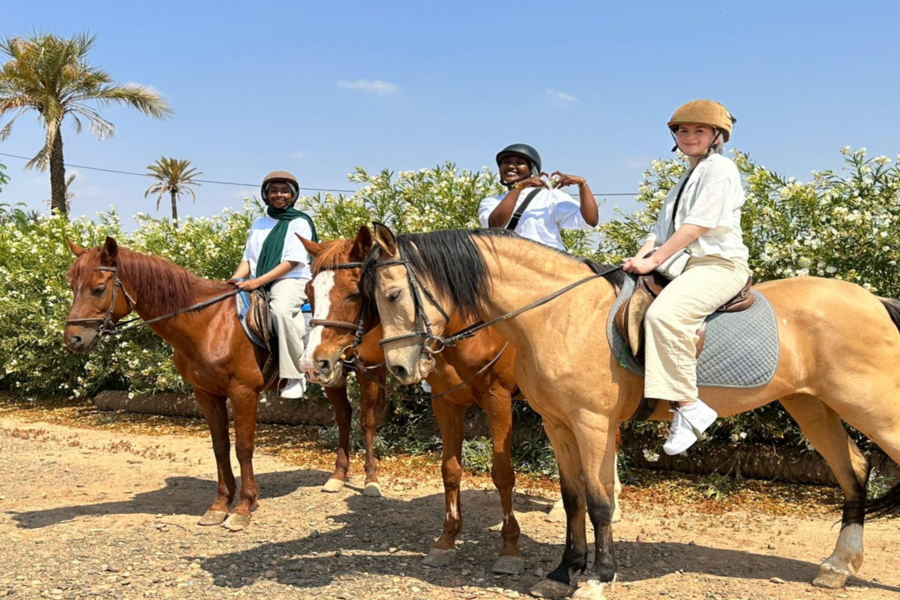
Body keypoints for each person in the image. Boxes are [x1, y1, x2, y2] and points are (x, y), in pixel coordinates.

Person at [623, 99, 750, 455]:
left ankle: (689, 406)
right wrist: (641, 256)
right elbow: (659, 231)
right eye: (683, 130)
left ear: (716, 136)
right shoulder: (686, 177)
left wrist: (655, 260)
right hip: (678, 265)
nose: (689, 136)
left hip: (718, 265)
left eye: (699, 130)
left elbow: (699, 225)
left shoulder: (720, 169)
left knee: (667, 315)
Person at [228, 171, 317, 399]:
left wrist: (257, 282)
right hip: (255, 279)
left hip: (291, 279)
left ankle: (296, 376)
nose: (279, 195)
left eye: (284, 190)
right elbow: (248, 258)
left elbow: (292, 261)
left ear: (293, 194)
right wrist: (236, 279)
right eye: (274, 191)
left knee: (281, 311)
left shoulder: (300, 222)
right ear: (266, 195)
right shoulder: (259, 223)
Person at [479, 143, 598, 250]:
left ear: (532, 170)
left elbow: (590, 221)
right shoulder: (491, 202)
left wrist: (582, 183)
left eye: (519, 163)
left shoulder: (550, 196)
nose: (510, 166)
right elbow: (495, 225)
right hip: (511, 267)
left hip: (550, 265)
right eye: (506, 162)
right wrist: (519, 187)